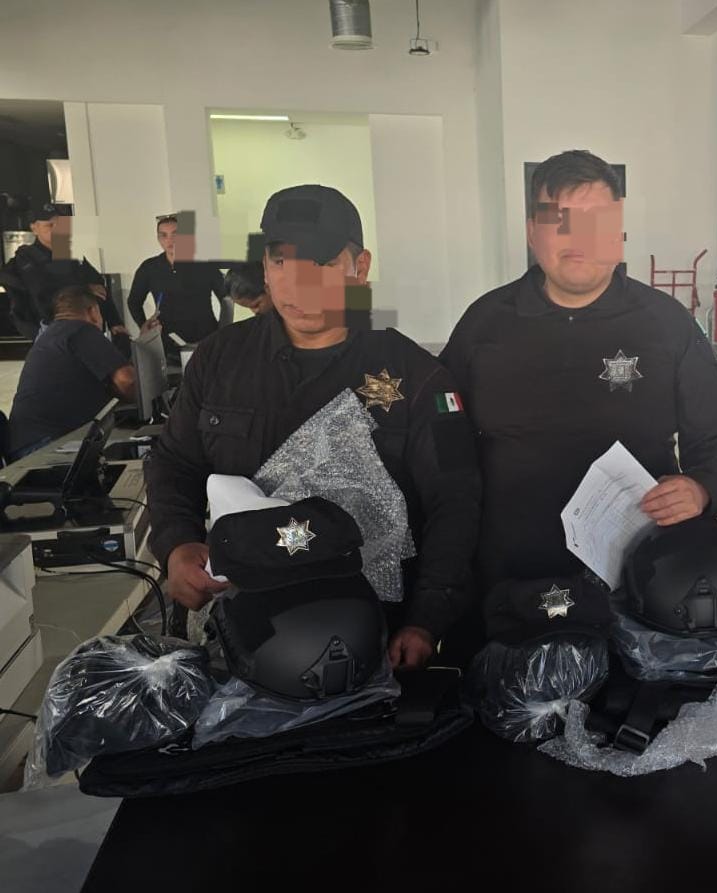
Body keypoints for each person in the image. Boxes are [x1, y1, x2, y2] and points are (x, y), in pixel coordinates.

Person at [145, 185, 481, 670]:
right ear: (264, 267)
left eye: (320, 263)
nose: (297, 283)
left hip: (373, 641)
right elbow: (175, 463)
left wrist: (427, 618)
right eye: (281, 261)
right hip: (240, 635)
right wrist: (175, 545)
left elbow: (455, 502)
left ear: (359, 267)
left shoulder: (418, 375)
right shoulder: (219, 359)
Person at [440, 149, 717, 602]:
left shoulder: (664, 323)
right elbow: (442, 435)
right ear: (532, 232)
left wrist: (702, 488)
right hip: (508, 572)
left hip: (639, 574)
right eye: (559, 220)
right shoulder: (484, 324)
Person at [6, 285, 135, 460]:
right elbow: (127, 381)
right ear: (93, 311)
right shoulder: (81, 330)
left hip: (27, 446)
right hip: (46, 447)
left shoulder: (52, 335)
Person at [10, 205, 127, 340]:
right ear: (34, 228)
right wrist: (84, 289)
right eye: (49, 225)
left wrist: (115, 322)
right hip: (52, 330)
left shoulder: (68, 251)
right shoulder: (27, 257)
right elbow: (43, 292)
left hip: (84, 325)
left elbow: (99, 288)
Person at [126, 214, 228, 345]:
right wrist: (144, 326)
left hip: (206, 339)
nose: (170, 240)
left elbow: (226, 299)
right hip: (168, 341)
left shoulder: (205, 265)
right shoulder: (150, 268)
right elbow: (134, 301)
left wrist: (223, 331)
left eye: (175, 234)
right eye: (163, 235)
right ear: (158, 238)